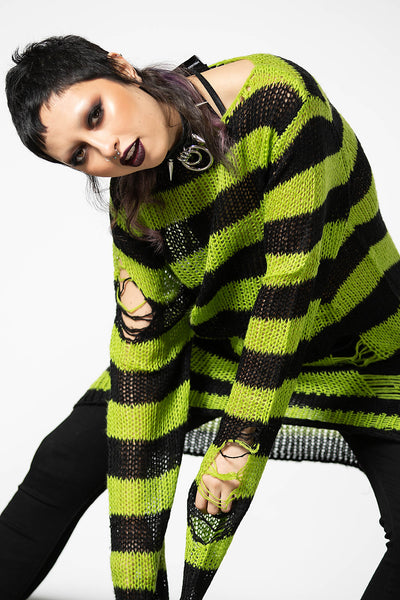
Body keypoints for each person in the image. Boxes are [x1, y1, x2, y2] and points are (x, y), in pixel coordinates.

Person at [4, 34, 400, 600]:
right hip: (224, 349)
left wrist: (236, 446)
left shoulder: (277, 100)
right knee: (61, 467)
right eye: (80, 155)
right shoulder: (133, 198)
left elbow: (287, 289)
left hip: (364, 347)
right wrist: (137, 584)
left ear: (121, 68)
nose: (106, 148)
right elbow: (145, 348)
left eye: (95, 114)